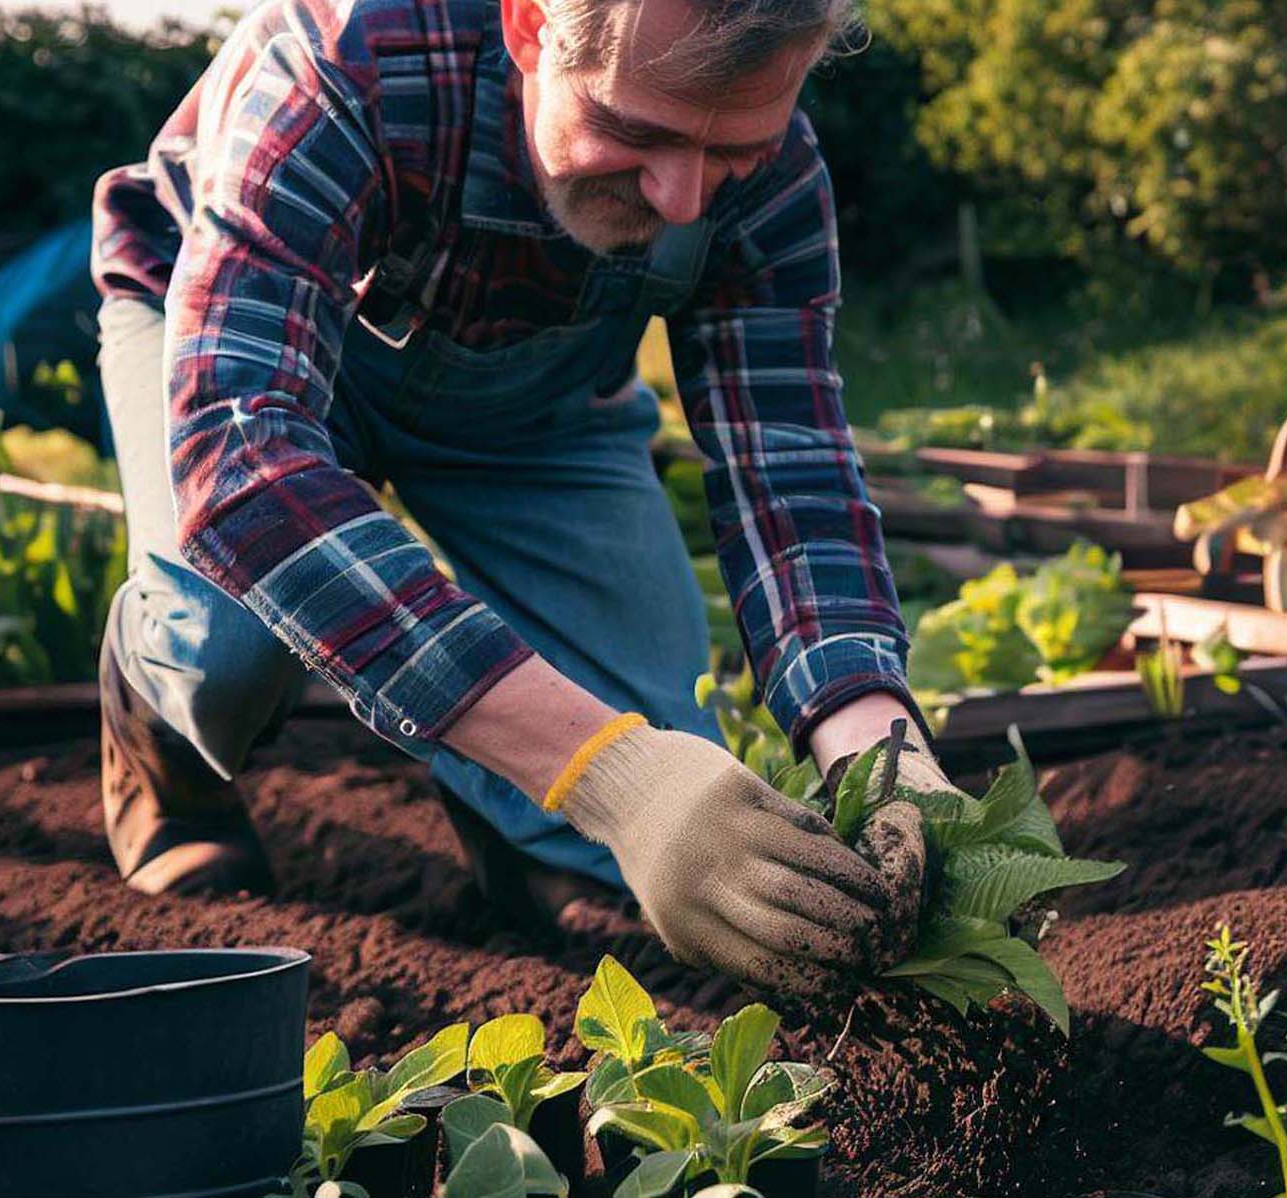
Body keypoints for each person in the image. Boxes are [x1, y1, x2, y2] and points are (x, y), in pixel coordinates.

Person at [90, 0, 962, 997]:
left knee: (654, 798)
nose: (682, 200)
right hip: (239, 353)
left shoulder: (776, 177)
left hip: (527, 403)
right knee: (225, 644)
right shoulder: (353, 62)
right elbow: (245, 465)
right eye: (634, 132)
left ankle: (512, 824)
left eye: (732, 152)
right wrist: (604, 773)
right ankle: (159, 744)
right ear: (527, 26)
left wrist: (879, 746)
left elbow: (789, 469)